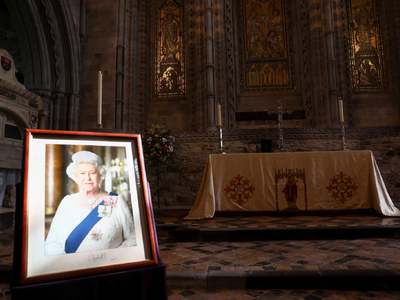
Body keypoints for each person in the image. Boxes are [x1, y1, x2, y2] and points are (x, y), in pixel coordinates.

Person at [45, 150, 136, 256]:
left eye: (92, 172)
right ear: (76, 176)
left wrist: (112, 259)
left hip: (109, 267)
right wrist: (67, 264)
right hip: (73, 268)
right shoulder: (67, 202)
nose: (87, 178)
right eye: (82, 173)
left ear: (100, 175)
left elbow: (133, 239)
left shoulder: (116, 201)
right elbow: (52, 243)